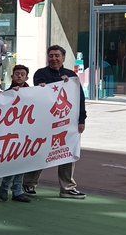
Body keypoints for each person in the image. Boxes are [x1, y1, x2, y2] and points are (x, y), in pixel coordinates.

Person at [24, 45, 88, 199]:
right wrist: (61, 81)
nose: (53, 58)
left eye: (57, 55)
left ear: (63, 58)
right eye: (51, 55)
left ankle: (67, 187)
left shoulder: (71, 76)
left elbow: (80, 98)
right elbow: (43, 91)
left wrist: (82, 119)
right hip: (45, 123)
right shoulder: (41, 74)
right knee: (40, 151)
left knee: (67, 152)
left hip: (67, 123)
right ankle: (28, 184)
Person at [0, 65, 33, 203]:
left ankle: (18, 190)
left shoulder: (32, 92)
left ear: (26, 77)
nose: (19, 76)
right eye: (17, 74)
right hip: (11, 133)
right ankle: (5, 186)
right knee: (12, 162)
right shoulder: (7, 93)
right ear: (12, 76)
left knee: (22, 163)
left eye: (22, 74)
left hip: (26, 132)